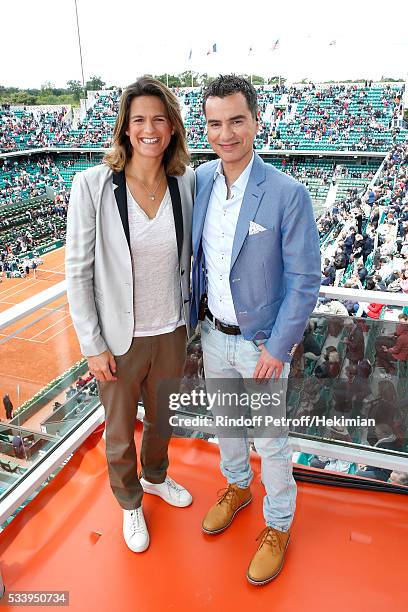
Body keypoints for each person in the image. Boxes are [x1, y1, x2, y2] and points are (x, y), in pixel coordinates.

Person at [190, 75, 321, 585]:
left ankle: (279, 525)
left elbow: (306, 279)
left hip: (262, 346)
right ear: (207, 127)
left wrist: (280, 348)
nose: (226, 133)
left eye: (236, 120)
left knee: (270, 440)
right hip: (212, 334)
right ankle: (237, 486)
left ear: (255, 122)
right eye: (216, 123)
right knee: (226, 426)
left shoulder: (288, 193)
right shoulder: (200, 180)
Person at [66, 77, 194, 554]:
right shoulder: (92, 185)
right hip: (119, 337)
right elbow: (77, 271)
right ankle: (129, 502)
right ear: (124, 128)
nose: (149, 128)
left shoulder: (186, 183)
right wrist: (92, 343)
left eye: (159, 118)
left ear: (172, 127)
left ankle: (157, 478)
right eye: (139, 119)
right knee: (119, 432)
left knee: (162, 420)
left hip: (172, 329)